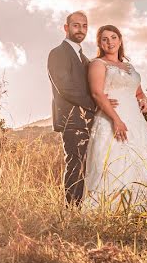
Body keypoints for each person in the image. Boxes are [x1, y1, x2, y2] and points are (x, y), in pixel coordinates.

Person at [83, 25, 147, 210]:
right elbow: (97, 93)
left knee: (142, 157)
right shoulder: (97, 64)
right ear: (100, 43)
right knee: (114, 159)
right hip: (111, 118)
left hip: (135, 120)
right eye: (105, 39)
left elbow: (137, 90)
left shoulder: (129, 66)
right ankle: (113, 205)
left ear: (120, 40)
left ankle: (144, 203)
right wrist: (116, 120)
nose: (109, 42)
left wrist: (143, 99)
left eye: (113, 37)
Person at [47, 11, 110, 205]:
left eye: (84, 26)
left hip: (88, 119)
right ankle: (72, 209)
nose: (80, 29)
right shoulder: (58, 53)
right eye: (76, 25)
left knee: (88, 164)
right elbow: (65, 87)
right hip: (71, 119)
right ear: (66, 28)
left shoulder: (85, 58)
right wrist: (96, 104)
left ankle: (84, 206)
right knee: (75, 163)